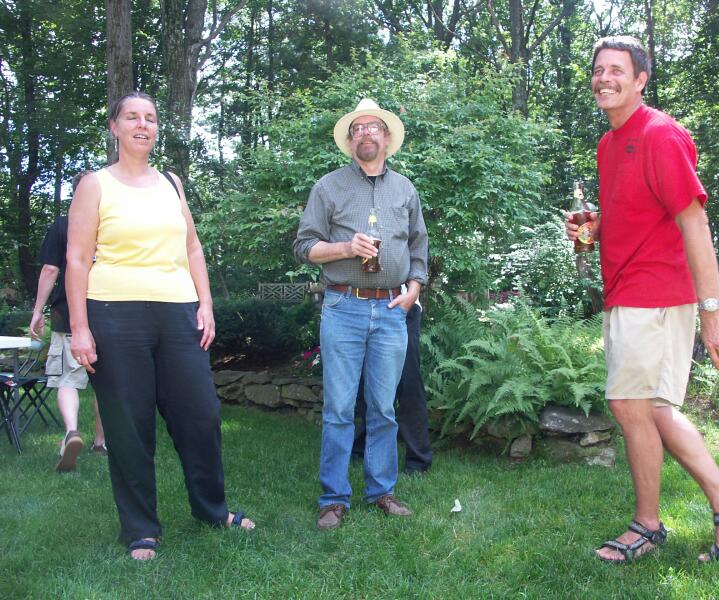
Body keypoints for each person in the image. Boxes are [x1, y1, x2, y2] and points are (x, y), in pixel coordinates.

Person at [566, 36, 719, 563]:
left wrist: (713, 312)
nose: (604, 78)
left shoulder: (659, 134)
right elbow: (639, 215)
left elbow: (693, 221)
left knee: (630, 405)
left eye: (617, 70)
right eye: (598, 70)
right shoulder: (609, 144)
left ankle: (649, 525)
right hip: (628, 292)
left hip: (656, 294)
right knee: (653, 410)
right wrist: (596, 228)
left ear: (640, 80)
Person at [66, 91, 254, 561]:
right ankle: (140, 528)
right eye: (132, 117)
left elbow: (192, 247)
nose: (142, 125)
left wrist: (205, 303)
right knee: (129, 426)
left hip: (178, 311)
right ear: (115, 127)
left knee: (201, 416)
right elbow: (77, 258)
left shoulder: (172, 182)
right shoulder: (95, 184)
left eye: (149, 118)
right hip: (114, 313)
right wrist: (80, 327)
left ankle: (212, 510)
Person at [293, 98, 429, 530]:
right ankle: (333, 499)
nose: (365, 133)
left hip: (391, 310)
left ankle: (381, 491)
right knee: (338, 408)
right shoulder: (328, 187)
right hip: (343, 307)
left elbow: (419, 246)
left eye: (373, 127)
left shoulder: (405, 189)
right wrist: (345, 247)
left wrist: (414, 288)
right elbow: (304, 247)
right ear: (350, 141)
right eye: (358, 129)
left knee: (384, 408)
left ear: (386, 138)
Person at [29, 173, 106, 472]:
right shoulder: (109, 225)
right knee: (104, 382)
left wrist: (38, 310)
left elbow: (50, 270)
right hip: (108, 311)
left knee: (66, 379)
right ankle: (101, 442)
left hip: (68, 313)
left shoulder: (62, 225)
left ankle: (72, 431)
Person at [352, 296, 432, 474]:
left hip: (401, 307)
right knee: (366, 382)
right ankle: (363, 445)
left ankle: (418, 459)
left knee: (408, 382)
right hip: (364, 307)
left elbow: (419, 277)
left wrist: (408, 300)